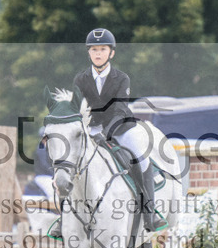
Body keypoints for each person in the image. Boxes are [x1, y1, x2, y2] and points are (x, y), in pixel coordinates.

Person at [71, 28, 167, 232]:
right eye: (94, 49)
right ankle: (64, 218)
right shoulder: (80, 79)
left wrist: (105, 133)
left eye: (103, 49)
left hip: (120, 127)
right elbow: (77, 109)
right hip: (91, 129)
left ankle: (149, 213)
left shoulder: (122, 78)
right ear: (89, 52)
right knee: (69, 162)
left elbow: (120, 108)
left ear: (111, 53)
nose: (98, 53)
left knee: (142, 159)